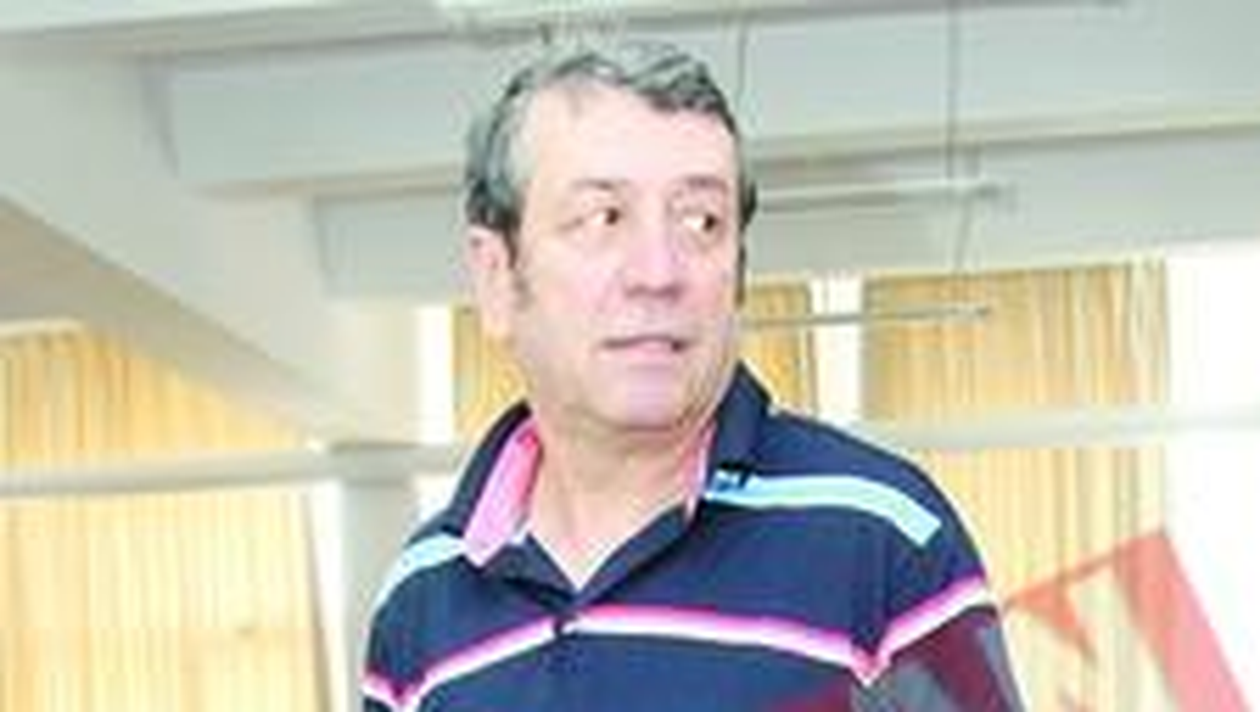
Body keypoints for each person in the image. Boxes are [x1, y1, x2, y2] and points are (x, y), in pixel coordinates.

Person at [363, 38, 1023, 711]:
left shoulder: (884, 539)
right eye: (602, 218)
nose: (658, 272)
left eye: (701, 221)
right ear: (497, 276)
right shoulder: (422, 596)